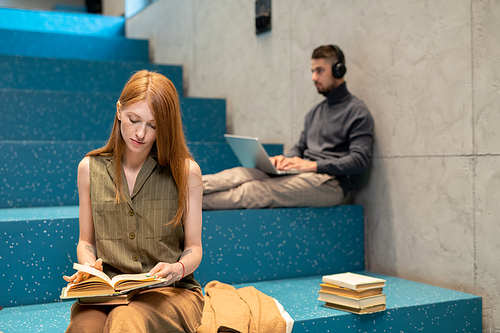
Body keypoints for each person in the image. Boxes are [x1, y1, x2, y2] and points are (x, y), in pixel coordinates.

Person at [63, 70, 204, 332]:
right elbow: (86, 242)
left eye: (153, 125)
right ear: (119, 111)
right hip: (109, 291)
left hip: (170, 290)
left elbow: (194, 248)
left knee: (125, 323)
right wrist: (87, 266)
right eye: (134, 119)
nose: (140, 133)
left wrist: (178, 268)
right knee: (85, 329)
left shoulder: (187, 172)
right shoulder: (88, 169)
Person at [202, 45, 374, 210]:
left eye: (319, 71)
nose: (314, 77)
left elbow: (359, 161)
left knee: (254, 190)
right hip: (302, 174)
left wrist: (313, 165)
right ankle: (181, 191)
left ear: (339, 70)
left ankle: (186, 206)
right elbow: (300, 147)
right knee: (240, 174)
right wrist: (284, 161)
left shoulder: (357, 111)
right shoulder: (315, 112)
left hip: (332, 183)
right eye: (313, 71)